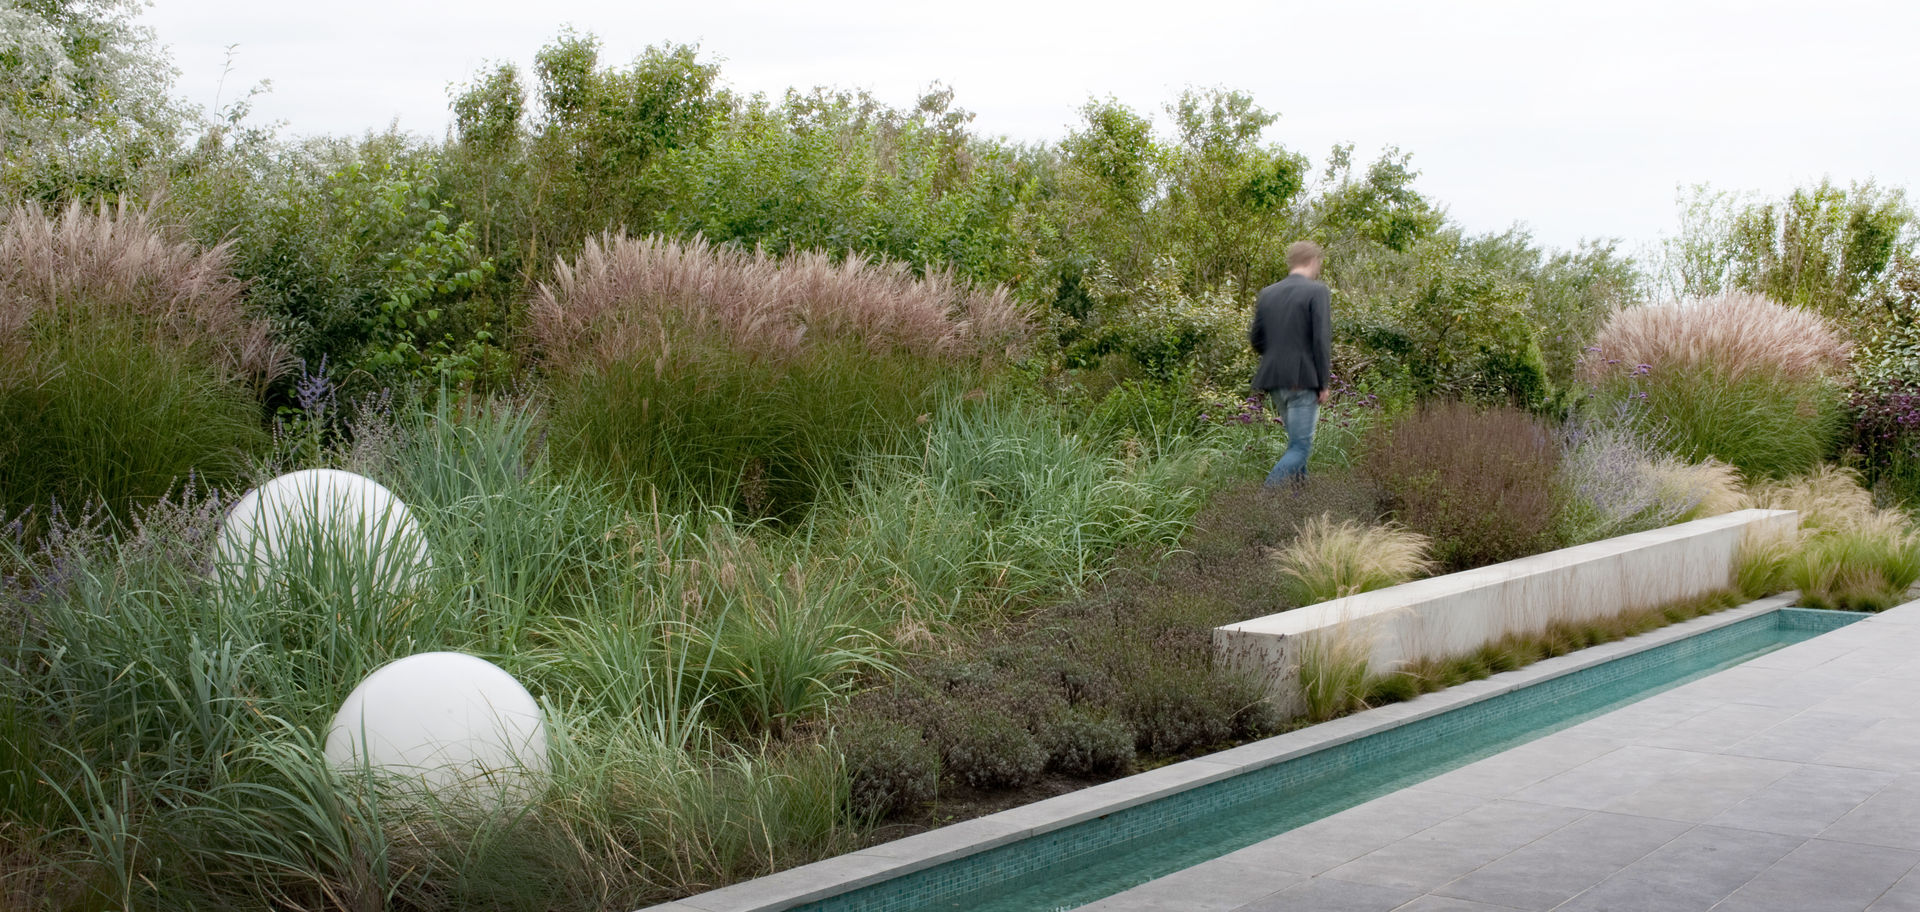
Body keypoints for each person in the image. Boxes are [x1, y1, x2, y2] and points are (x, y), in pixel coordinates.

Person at [1249, 241, 1332, 486]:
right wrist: (1323, 383)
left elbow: (1257, 340)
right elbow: (1321, 340)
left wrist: (1280, 356)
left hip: (1275, 380)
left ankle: (1300, 505)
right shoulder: (1317, 291)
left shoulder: (1268, 293)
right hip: (1303, 380)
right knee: (1300, 448)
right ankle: (1263, 500)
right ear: (1313, 261)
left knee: (1296, 445)